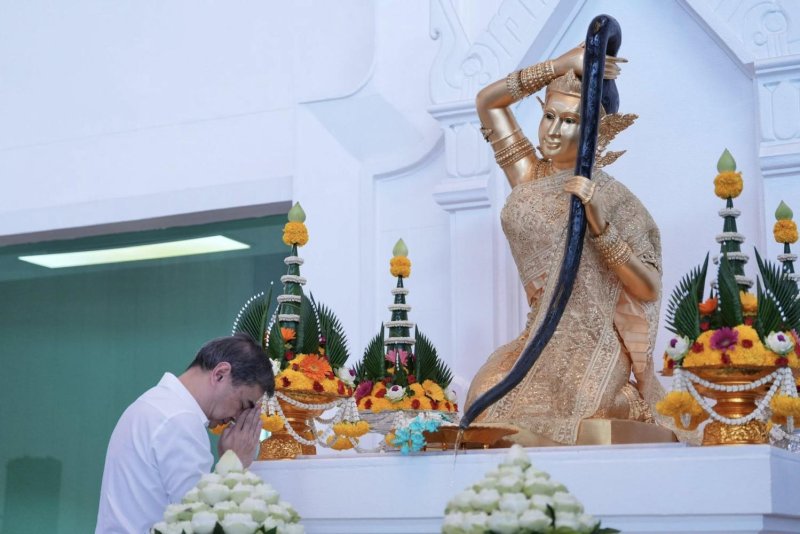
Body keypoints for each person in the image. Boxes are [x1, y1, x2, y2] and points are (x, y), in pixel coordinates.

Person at [464, 45, 670, 445]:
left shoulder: (614, 198)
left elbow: (648, 288)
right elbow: (487, 103)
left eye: (570, 121)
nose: (552, 131)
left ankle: (626, 400)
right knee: (484, 405)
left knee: (554, 418)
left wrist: (600, 225)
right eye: (548, 116)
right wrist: (561, 65)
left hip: (594, 346)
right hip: (537, 337)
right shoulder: (531, 176)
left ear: (596, 130)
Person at [96, 332, 274, 533]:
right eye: (243, 404)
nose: (236, 417)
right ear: (220, 374)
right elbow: (201, 525)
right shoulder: (181, 420)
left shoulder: (153, 403)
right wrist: (235, 463)